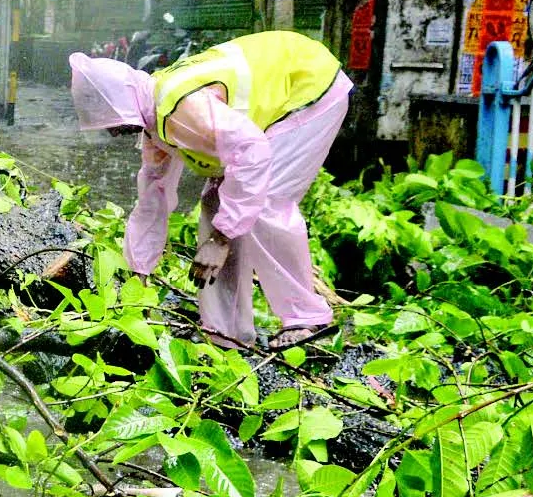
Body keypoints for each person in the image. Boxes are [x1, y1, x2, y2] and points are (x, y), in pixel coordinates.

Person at [69, 30, 351, 350]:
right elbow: (152, 202)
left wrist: (220, 239)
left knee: (264, 201)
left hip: (308, 84)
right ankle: (226, 334)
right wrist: (139, 277)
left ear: (122, 107)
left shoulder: (179, 107)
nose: (114, 133)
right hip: (277, 102)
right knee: (217, 201)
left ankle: (307, 319)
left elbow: (253, 153)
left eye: (113, 124)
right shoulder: (154, 122)